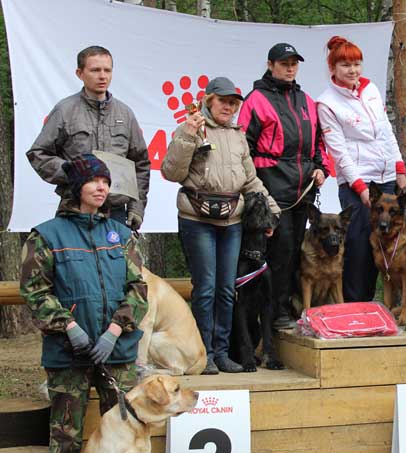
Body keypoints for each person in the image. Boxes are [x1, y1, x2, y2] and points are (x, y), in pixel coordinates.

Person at [19, 154, 151, 453]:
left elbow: (138, 289)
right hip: (67, 353)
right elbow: (35, 290)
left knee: (132, 429)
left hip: (118, 352)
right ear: (75, 189)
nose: (101, 187)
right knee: (66, 432)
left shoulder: (122, 235)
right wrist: (69, 327)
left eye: (105, 182)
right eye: (93, 181)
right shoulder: (46, 235)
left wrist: (115, 330)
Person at [162, 77, 280, 375]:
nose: (228, 106)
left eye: (233, 102)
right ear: (208, 100)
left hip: (232, 220)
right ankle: (203, 354)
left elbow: (251, 180)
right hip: (197, 219)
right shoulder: (191, 127)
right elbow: (171, 172)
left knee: (227, 290)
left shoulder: (239, 136)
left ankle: (222, 352)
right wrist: (187, 135)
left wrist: (273, 211)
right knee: (206, 289)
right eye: (223, 101)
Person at [237, 43, 327, 329]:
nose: (290, 68)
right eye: (284, 63)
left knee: (297, 250)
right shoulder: (256, 99)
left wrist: (321, 168)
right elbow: (243, 149)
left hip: (303, 189)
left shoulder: (306, 100)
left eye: (294, 63)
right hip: (273, 187)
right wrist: (256, 190)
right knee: (280, 251)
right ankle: (275, 314)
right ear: (270, 64)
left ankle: (288, 306)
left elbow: (318, 144)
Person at [317, 35, 406, 303]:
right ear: (333, 68)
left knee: (388, 243)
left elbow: (386, 131)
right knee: (358, 247)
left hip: (386, 178)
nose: (353, 70)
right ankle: (356, 304)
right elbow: (339, 152)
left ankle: (390, 305)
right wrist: (361, 188)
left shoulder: (371, 90)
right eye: (345, 65)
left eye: (357, 64)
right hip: (356, 183)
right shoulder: (327, 102)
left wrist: (399, 167)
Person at [27, 45, 151, 230]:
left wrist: (137, 207)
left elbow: (141, 163)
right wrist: (73, 172)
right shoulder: (65, 110)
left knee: (115, 260)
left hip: (115, 210)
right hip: (74, 208)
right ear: (80, 73)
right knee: (72, 259)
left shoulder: (125, 114)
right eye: (95, 70)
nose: (102, 76)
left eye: (107, 70)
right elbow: (38, 153)